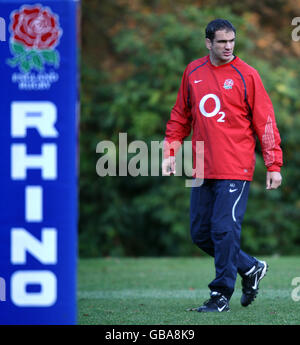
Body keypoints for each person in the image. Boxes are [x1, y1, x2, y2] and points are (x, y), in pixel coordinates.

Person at [162, 19, 283, 312]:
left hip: (235, 166)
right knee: (200, 233)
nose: (228, 47)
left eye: (231, 41)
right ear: (208, 43)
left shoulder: (247, 75)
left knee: (224, 230)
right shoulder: (193, 71)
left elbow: (265, 122)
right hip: (201, 166)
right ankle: (250, 267)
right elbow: (181, 115)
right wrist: (170, 151)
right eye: (221, 42)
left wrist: (273, 163)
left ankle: (220, 296)